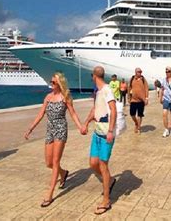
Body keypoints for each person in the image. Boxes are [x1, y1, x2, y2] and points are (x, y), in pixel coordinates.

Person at [24, 72, 85, 208]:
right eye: (51, 82)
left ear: (59, 84)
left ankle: (50, 193)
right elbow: (41, 113)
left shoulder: (65, 98)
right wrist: (31, 128)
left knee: (55, 161)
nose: (51, 84)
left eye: (53, 82)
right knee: (48, 162)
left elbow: (73, 113)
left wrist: (80, 127)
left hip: (61, 129)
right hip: (50, 129)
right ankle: (63, 173)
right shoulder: (48, 97)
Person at [83, 66, 117, 215]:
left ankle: (106, 201)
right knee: (93, 163)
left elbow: (113, 110)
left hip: (106, 134)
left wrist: (110, 130)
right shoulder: (97, 91)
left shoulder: (107, 90)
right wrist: (86, 123)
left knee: (103, 166)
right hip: (97, 133)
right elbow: (95, 110)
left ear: (94, 77)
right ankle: (109, 180)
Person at [128, 67, 149, 134]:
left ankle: (139, 128)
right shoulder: (132, 79)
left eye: (140, 72)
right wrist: (128, 97)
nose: (140, 73)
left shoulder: (143, 79)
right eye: (138, 72)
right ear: (135, 72)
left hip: (141, 100)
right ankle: (136, 123)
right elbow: (129, 88)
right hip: (133, 100)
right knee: (132, 114)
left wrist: (146, 98)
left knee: (140, 115)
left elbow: (146, 88)